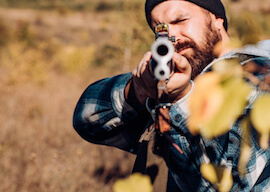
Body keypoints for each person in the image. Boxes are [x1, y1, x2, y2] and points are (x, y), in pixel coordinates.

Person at [73, 0, 270, 191]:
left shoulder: (260, 76)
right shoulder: (181, 80)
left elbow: (233, 184)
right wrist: (137, 91)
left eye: (179, 21)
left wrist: (179, 99)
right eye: (161, 31)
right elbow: (87, 119)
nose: (172, 37)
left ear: (216, 18)